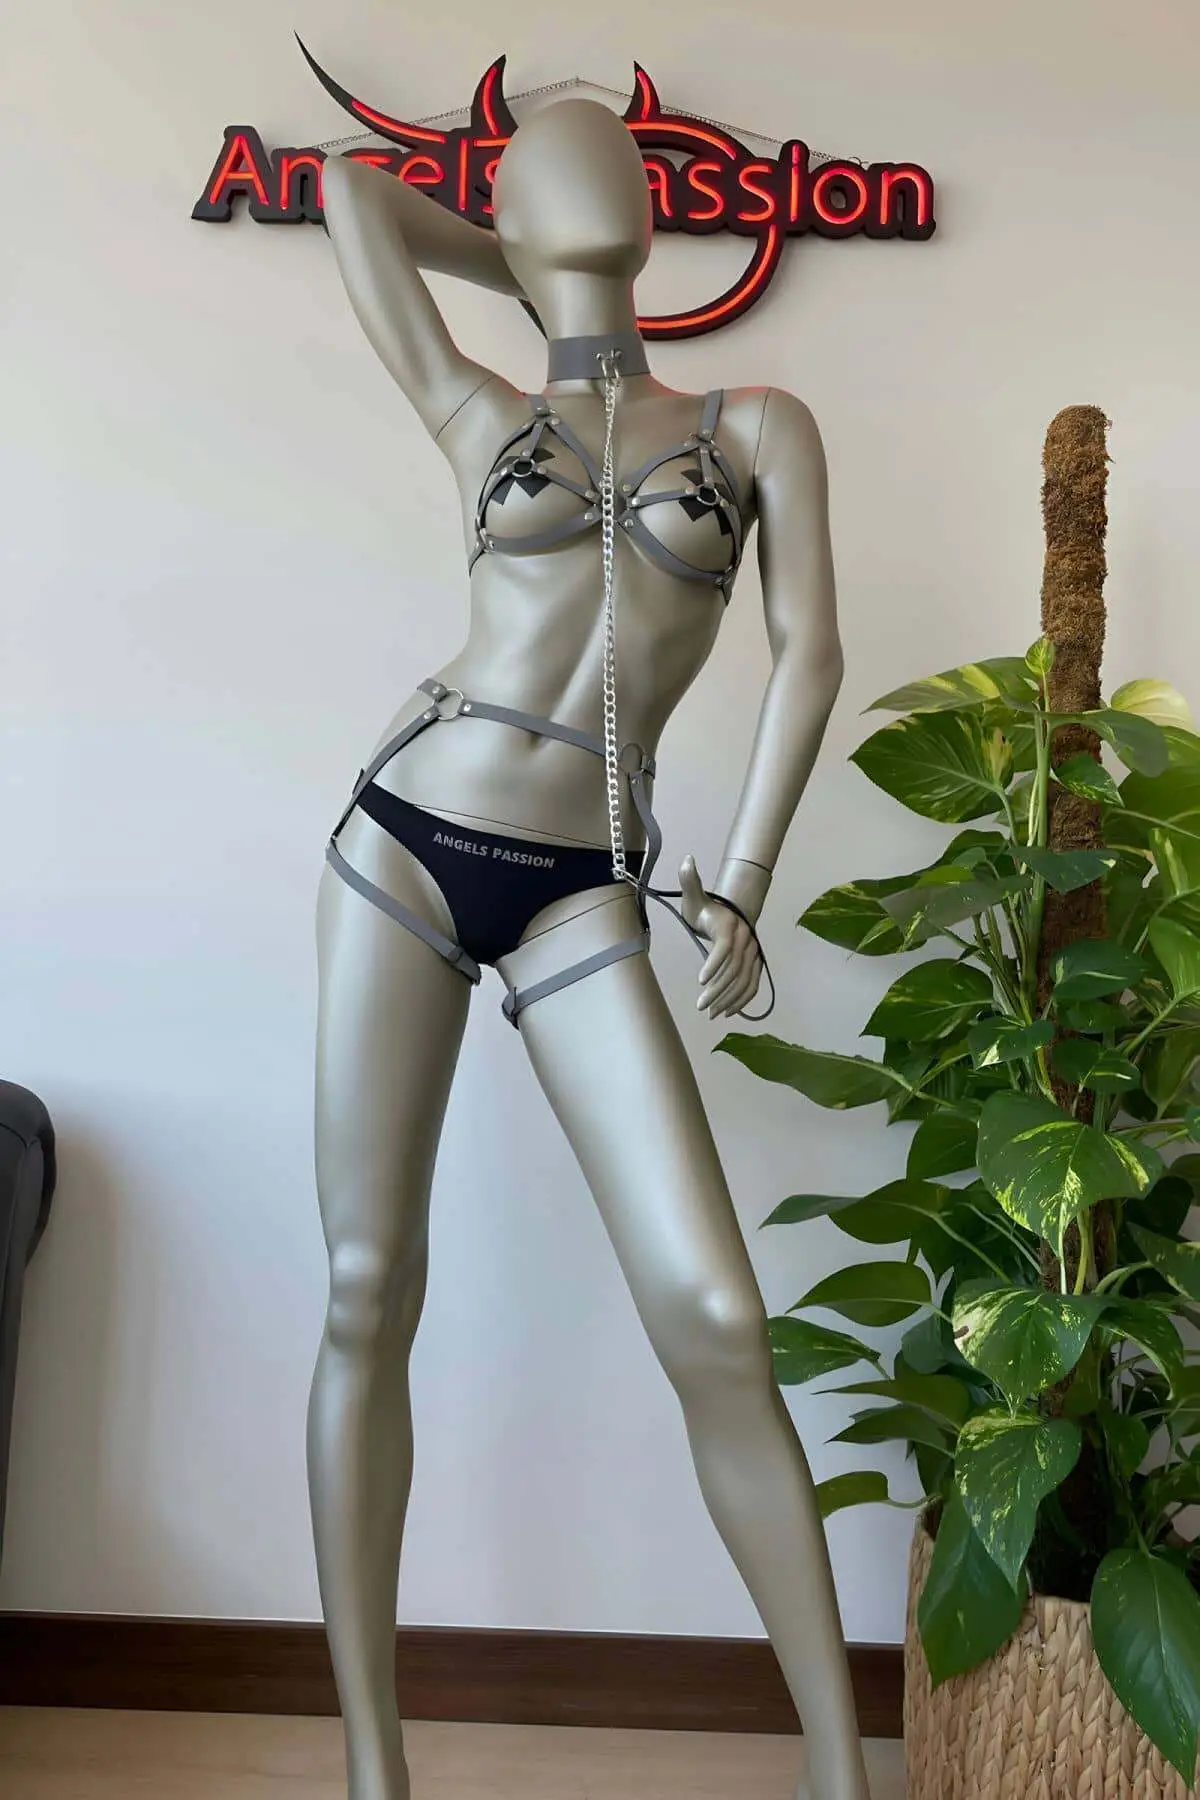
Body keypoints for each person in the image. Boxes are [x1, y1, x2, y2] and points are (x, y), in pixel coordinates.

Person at [307, 91, 866, 1800]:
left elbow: (811, 654)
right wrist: (534, 272)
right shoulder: (479, 409)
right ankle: (375, 1768)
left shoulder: (757, 425)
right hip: (405, 846)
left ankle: (843, 1773)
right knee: (367, 1289)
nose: (596, 159)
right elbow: (346, 185)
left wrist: (745, 877)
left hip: (583, 886)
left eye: (612, 151)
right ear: (517, 213)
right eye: (553, 161)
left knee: (716, 1313)